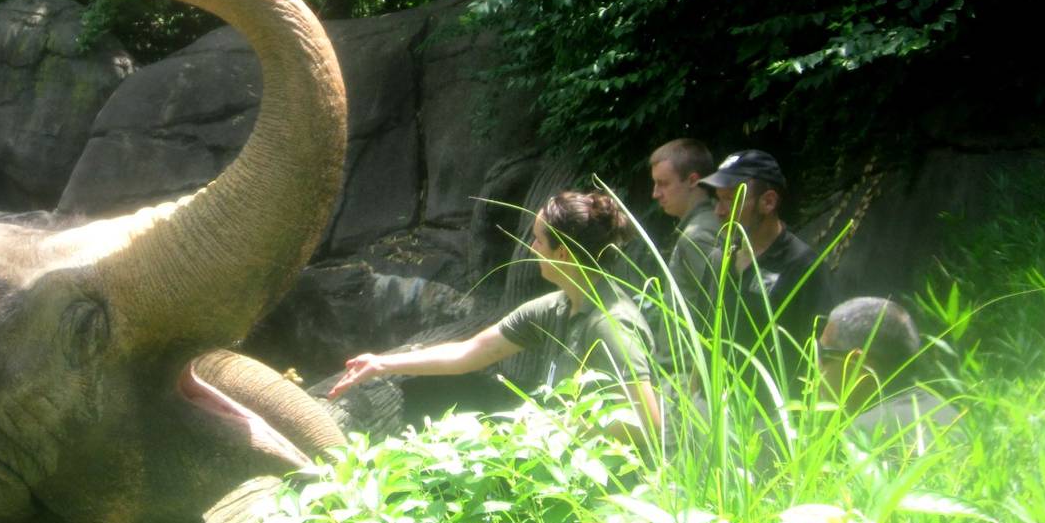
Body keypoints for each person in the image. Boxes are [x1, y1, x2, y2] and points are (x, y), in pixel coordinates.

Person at [329, 191, 660, 439]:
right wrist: (382, 365)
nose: (532, 248)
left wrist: (559, 431)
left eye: (538, 240)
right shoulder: (556, 307)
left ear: (562, 253)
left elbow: (648, 421)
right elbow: (470, 352)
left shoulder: (610, 325)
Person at [700, 149, 832, 357]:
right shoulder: (719, 259)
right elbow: (702, 338)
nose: (719, 211)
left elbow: (819, 354)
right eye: (717, 199)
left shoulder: (804, 267)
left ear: (768, 202)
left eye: (730, 199)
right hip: (716, 389)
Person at [817, 297, 963, 451]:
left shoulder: (858, 437)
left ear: (857, 362)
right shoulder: (951, 417)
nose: (816, 364)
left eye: (823, 354)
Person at [647, 137, 722, 320]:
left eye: (663, 183)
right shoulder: (709, 222)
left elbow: (721, 310)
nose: (655, 193)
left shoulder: (698, 236)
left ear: (692, 180)